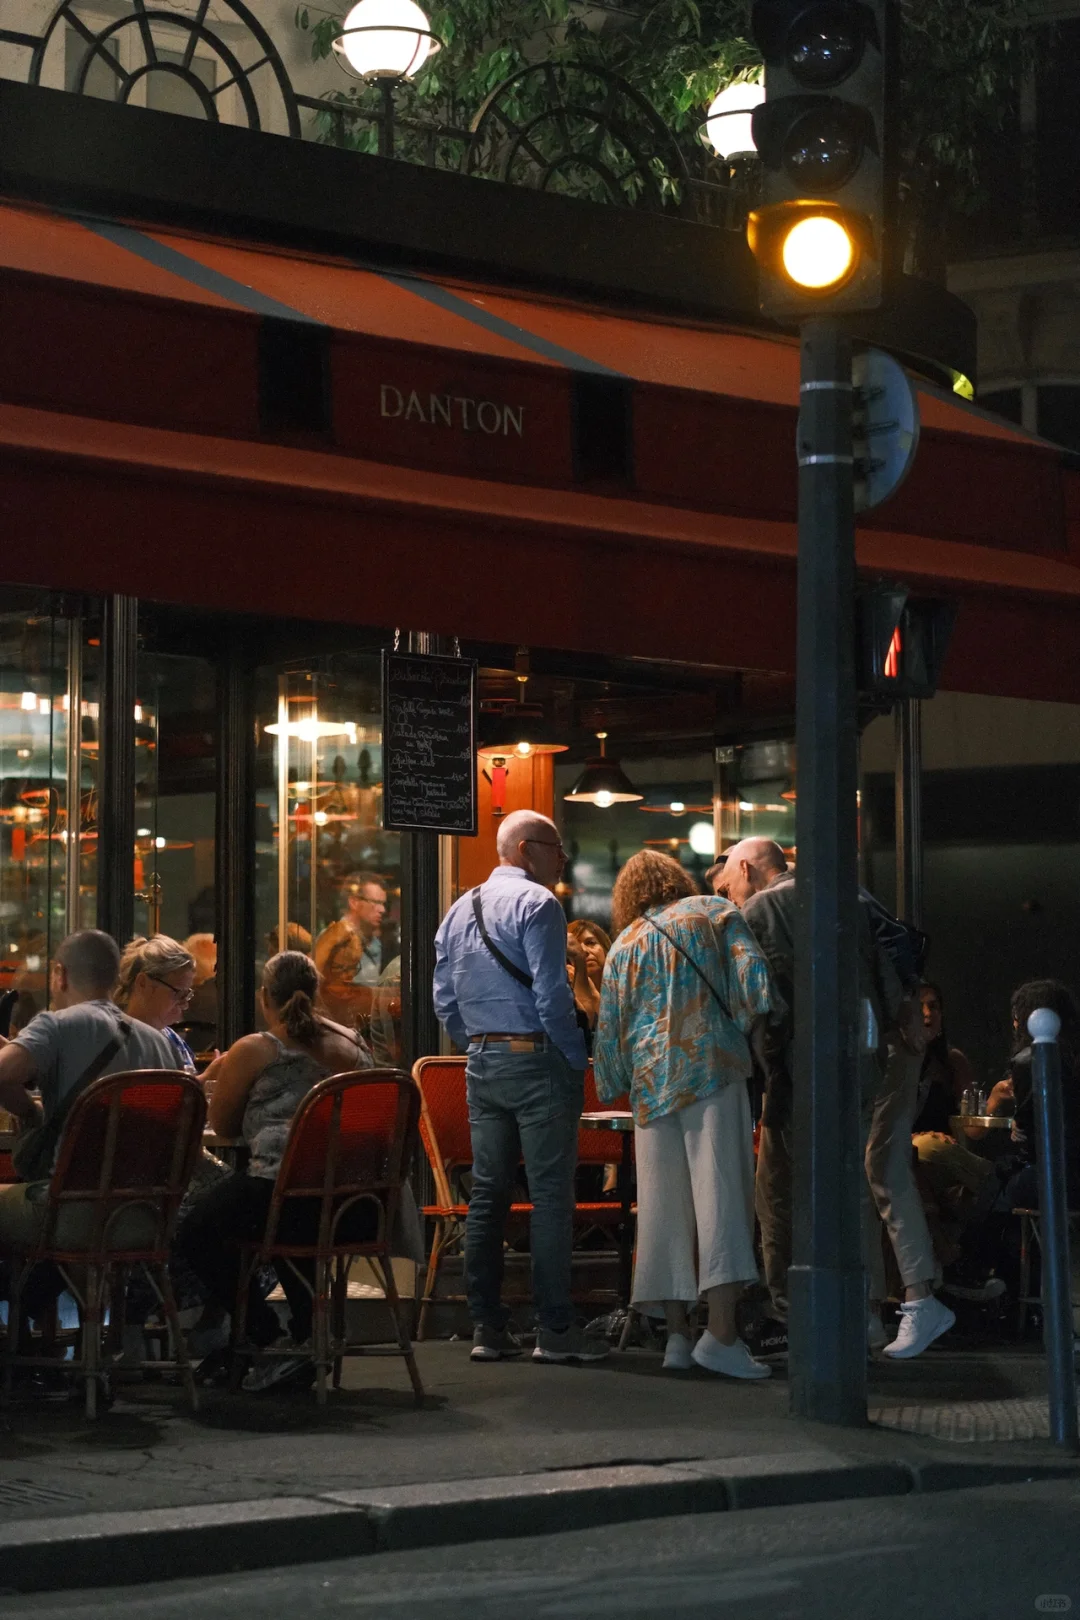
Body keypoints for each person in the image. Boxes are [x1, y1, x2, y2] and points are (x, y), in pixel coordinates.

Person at [714, 838, 954, 1359]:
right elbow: (898, 942)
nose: (728, 898)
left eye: (727, 885)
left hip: (857, 1051)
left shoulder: (763, 908)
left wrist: (771, 1068)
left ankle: (896, 1306)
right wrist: (911, 1002)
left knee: (859, 1174)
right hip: (888, 1041)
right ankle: (885, 1309)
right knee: (870, 1171)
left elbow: (770, 999)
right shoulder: (842, 890)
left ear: (750, 870)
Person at [596, 849, 779, 1378]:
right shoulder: (713, 912)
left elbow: (610, 1037)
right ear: (676, 881)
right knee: (722, 1200)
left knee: (662, 1211)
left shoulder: (623, 944)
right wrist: (748, 1031)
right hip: (712, 1070)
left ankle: (676, 1337)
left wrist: (619, 1081)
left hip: (651, 1089)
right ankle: (721, 1335)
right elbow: (756, 984)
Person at [433, 808, 606, 1366]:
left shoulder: (458, 911)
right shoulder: (540, 905)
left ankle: (487, 1326)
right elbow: (554, 996)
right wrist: (577, 1056)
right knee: (551, 1194)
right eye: (557, 850)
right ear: (529, 849)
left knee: (488, 1195)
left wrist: (478, 1042)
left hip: (482, 1061)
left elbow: (444, 1001)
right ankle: (553, 1331)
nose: (562, 860)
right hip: (537, 1060)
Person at [174, 951, 374, 1391]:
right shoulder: (355, 1045)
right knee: (271, 1214)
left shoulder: (258, 1049)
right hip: (355, 1205)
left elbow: (224, 1127)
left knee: (199, 1229)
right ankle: (303, 1337)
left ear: (265, 996)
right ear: (316, 993)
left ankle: (263, 1334)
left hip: (287, 1202)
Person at [0, 930, 179, 1252]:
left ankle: (28, 1299)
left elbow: (2, 1073)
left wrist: (26, 1104)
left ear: (59, 974)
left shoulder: (55, 1024)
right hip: (146, 1217)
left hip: (69, 1214)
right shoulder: (161, 1044)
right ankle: (43, 1298)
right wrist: (31, 1111)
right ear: (114, 979)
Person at [113, 935, 198, 1074]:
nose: (185, 1005)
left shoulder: (172, 1038)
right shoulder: (115, 1040)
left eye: (187, 995)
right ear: (143, 983)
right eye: (178, 993)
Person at [313, 873, 388, 1029]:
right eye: (376, 902)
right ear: (354, 902)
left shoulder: (377, 944)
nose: (382, 910)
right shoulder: (330, 941)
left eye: (384, 903)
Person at [913, 982, 977, 1132]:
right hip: (901, 1150)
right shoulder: (892, 1060)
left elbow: (973, 1129)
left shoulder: (953, 1060)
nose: (927, 1013)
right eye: (919, 1006)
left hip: (940, 1151)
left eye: (933, 1006)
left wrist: (997, 1096)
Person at [566, 919, 611, 1035]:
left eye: (590, 943)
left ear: (605, 949)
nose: (584, 951)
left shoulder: (623, 988)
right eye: (574, 946)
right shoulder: (566, 996)